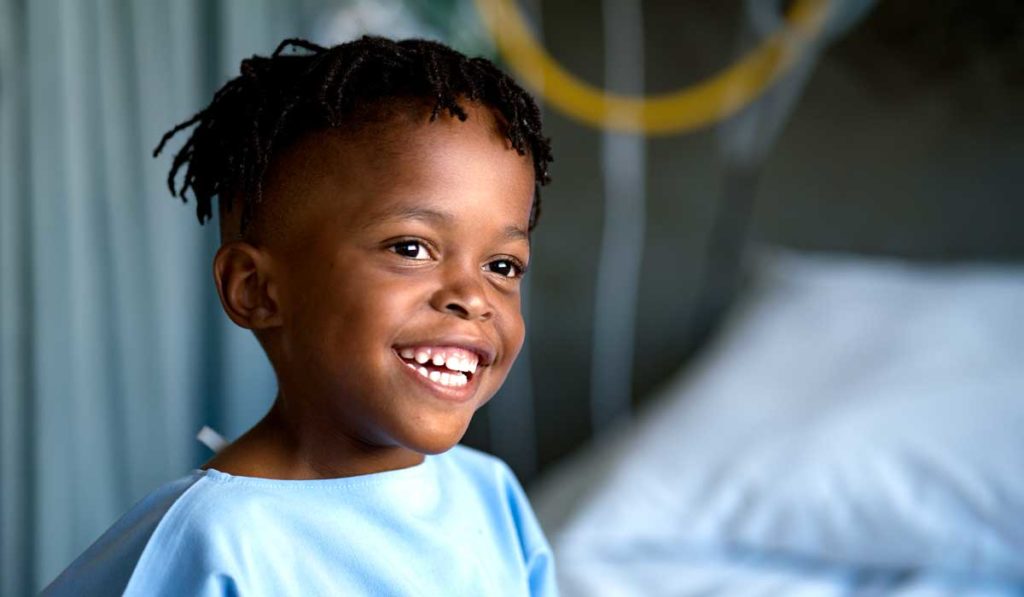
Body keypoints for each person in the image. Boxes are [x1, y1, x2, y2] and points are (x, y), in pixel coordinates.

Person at [42, 35, 555, 596]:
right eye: (411, 248)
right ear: (257, 290)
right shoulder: (213, 543)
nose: (474, 296)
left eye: (503, 265)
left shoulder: (491, 497)